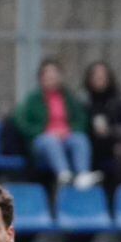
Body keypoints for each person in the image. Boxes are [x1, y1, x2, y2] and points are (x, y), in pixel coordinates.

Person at [12, 58, 100, 190]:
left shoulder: (69, 98)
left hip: (67, 136)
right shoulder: (32, 99)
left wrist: (70, 130)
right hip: (43, 139)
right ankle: (63, 174)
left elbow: (82, 119)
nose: (52, 79)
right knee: (50, 141)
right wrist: (43, 131)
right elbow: (21, 121)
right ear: (41, 78)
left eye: (55, 75)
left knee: (80, 139)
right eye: (48, 76)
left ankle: (82, 174)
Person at [82, 61, 121, 183]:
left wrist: (111, 131)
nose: (99, 79)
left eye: (103, 76)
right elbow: (81, 127)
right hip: (94, 145)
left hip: (116, 142)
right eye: (96, 76)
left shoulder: (119, 100)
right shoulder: (85, 102)